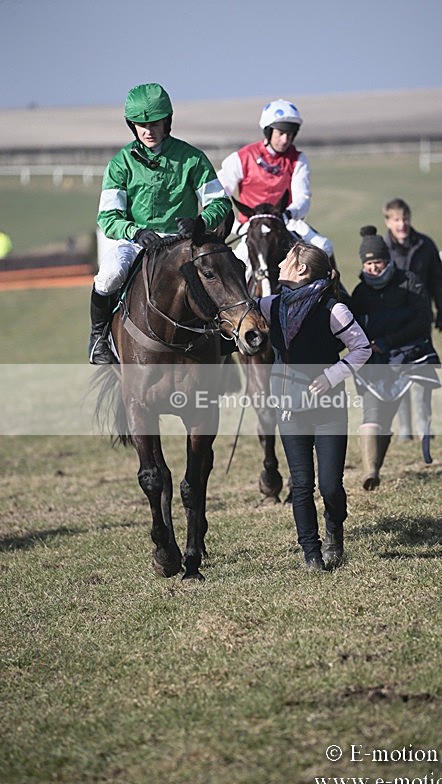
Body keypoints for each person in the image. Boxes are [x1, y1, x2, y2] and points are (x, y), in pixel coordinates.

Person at [89, 83, 232, 364]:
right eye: (140, 125)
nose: (148, 131)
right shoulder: (120, 164)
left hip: (184, 242)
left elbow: (220, 203)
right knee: (108, 276)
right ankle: (98, 338)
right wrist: (136, 231)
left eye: (154, 123)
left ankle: (229, 334)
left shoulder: (192, 159)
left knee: (225, 269)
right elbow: (108, 217)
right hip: (136, 242)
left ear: (167, 121)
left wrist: (200, 223)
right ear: (132, 126)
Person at [257, 242, 370, 571]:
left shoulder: (334, 309)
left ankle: (335, 530)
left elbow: (362, 348)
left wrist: (334, 375)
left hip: (329, 407)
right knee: (301, 484)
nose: (279, 264)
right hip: (289, 406)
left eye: (286, 259)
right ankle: (311, 553)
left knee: (331, 486)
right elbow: (234, 311)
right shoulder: (269, 305)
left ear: (301, 269)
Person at [350, 226, 441, 491]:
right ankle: (370, 472)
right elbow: (354, 327)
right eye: (368, 263)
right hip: (373, 362)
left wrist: (386, 342)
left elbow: (422, 321)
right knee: (372, 413)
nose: (373, 268)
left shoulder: (410, 282)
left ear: (387, 260)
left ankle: (375, 468)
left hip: (404, 358)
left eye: (377, 261)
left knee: (386, 418)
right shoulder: (360, 293)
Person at [217, 99, 334, 270]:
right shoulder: (241, 158)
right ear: (268, 131)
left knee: (325, 247)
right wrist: (236, 227)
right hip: (252, 228)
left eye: (290, 133)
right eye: (280, 133)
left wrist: (288, 214)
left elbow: (303, 197)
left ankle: (339, 295)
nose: (285, 139)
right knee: (234, 270)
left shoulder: (299, 159)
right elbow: (218, 195)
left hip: (287, 223)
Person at [382, 198, 442, 441]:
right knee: (398, 373)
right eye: (397, 220)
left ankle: (424, 427)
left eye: (405, 218)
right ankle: (405, 430)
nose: (402, 224)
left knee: (422, 371)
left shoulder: (425, 245)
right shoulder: (382, 249)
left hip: (421, 319)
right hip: (393, 321)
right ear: (388, 221)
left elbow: (437, 280)